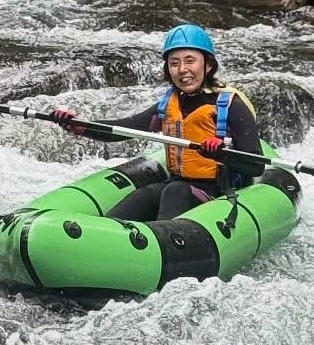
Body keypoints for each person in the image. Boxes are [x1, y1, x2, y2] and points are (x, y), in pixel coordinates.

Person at [53, 23, 263, 223]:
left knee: (175, 192)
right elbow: (126, 127)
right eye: (174, 63)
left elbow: (256, 166)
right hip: (177, 183)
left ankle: (157, 253)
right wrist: (79, 125)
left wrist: (222, 154)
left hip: (217, 192)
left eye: (190, 61)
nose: (182, 69)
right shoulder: (169, 104)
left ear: (208, 65)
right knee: (143, 196)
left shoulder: (230, 105)